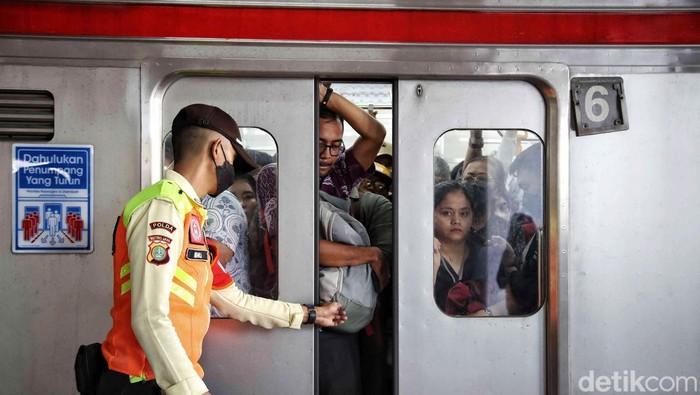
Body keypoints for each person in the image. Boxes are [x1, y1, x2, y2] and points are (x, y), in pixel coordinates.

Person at [99, 104, 346, 395]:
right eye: (232, 157)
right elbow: (150, 315)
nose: (232, 169)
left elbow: (235, 301)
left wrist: (308, 314)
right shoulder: (162, 209)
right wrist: (191, 390)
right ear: (217, 150)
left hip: (164, 380)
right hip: (140, 381)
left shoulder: (189, 216)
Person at [432, 181, 507, 316]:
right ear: (431, 215)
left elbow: (508, 303)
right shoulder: (424, 255)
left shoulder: (486, 256)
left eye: (464, 213)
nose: (456, 220)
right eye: (447, 213)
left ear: (472, 216)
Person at [318, 83, 386, 199]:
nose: (327, 155)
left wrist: (326, 96)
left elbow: (376, 135)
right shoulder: (279, 173)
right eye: (319, 145)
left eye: (335, 145)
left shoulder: (341, 174)